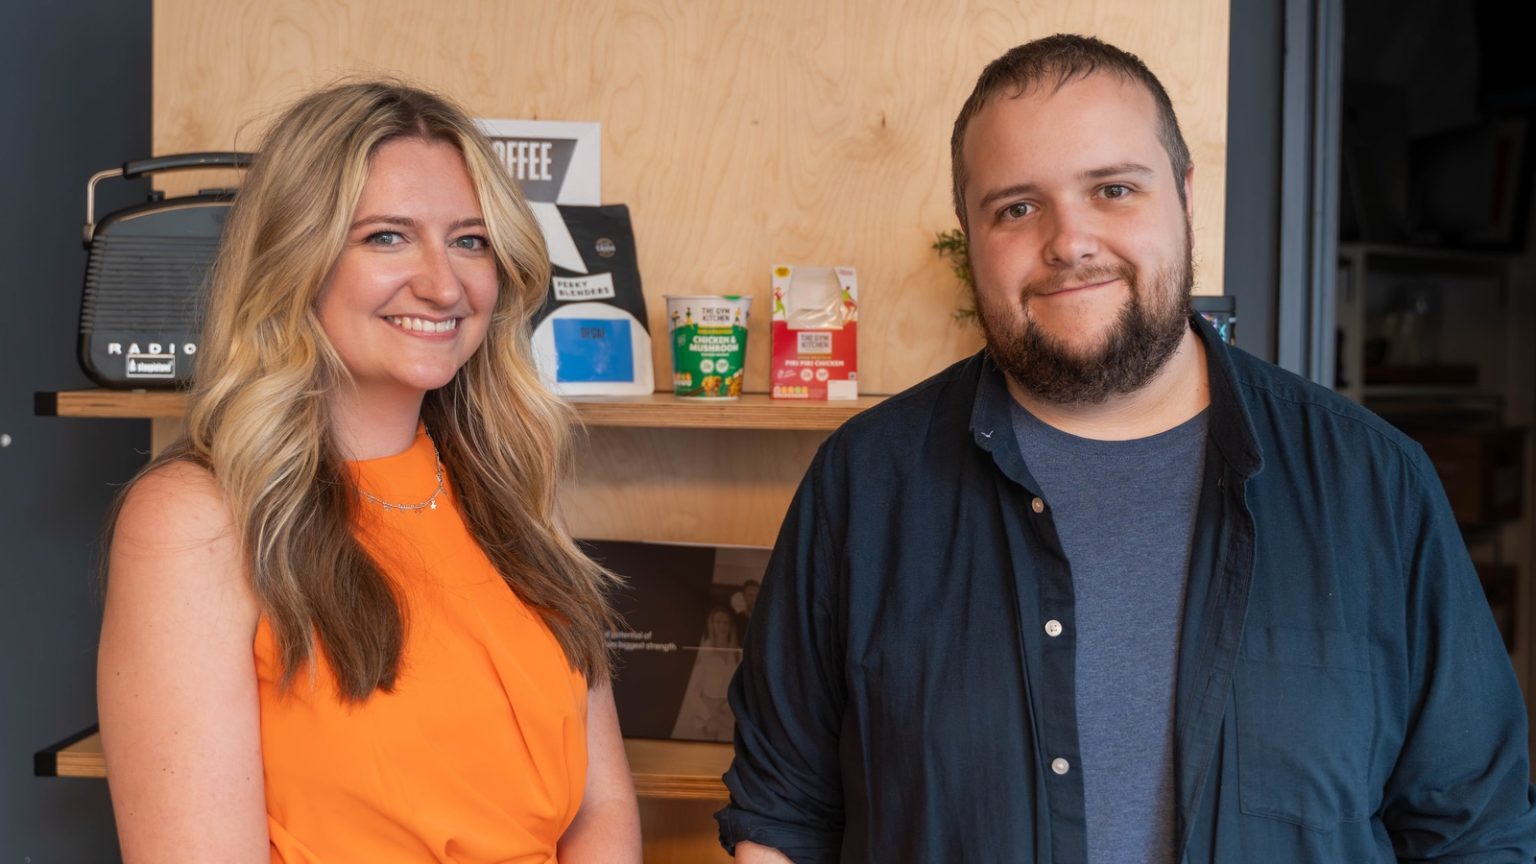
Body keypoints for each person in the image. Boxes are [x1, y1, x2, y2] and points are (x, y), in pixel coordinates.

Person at [718, 34, 1536, 863]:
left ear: (1184, 196)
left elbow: (1476, 831)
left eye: (1113, 189)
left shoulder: (1375, 485)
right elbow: (783, 818)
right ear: (968, 235)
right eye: (1016, 208)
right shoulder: (864, 484)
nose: (1069, 242)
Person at [97, 80, 642, 863]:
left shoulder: (514, 493)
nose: (445, 285)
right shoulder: (197, 520)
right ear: (295, 258)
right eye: (387, 237)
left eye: (471, 241)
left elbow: (602, 806)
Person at [672, 606, 743, 741]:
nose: (722, 626)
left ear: (731, 626)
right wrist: (708, 717)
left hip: (729, 712)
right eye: (718, 622)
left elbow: (741, 686)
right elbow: (692, 691)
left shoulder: (738, 654)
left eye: (726, 622)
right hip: (706, 712)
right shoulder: (703, 652)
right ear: (712, 624)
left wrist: (728, 707)